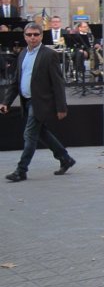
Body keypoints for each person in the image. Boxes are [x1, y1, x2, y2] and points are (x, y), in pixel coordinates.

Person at [1, 22, 76, 182]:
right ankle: (65, 158)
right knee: (41, 132)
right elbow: (16, 82)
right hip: (26, 101)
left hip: (41, 102)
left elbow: (58, 83)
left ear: (41, 36)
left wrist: (61, 107)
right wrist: (5, 102)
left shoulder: (49, 55)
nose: (32, 37)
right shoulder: (22, 54)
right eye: (29, 35)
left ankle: (21, 170)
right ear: (24, 36)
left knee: (29, 134)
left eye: (36, 34)